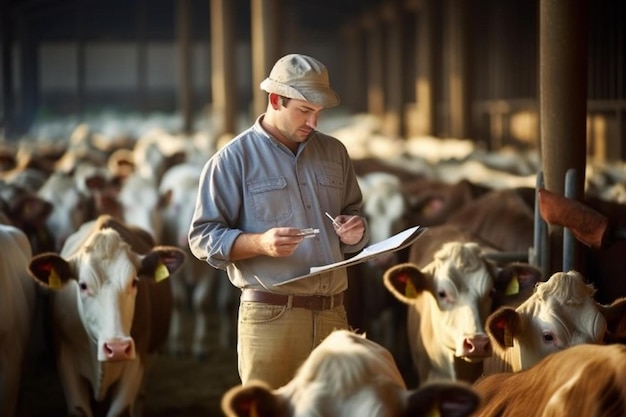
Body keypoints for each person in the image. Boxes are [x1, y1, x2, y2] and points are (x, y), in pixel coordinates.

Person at [188, 53, 369, 388]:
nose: (313, 123)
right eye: (304, 110)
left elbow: (355, 216)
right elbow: (203, 238)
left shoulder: (335, 153)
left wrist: (354, 230)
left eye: (318, 113)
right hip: (271, 316)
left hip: (334, 315)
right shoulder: (232, 160)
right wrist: (260, 243)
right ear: (275, 100)